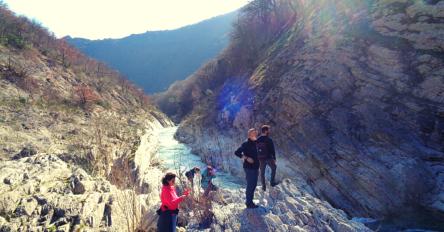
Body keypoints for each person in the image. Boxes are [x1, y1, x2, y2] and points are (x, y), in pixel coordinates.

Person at [235, 128, 260, 209]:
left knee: (254, 185)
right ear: (249, 135)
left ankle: (250, 201)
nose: (255, 135)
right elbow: (237, 152)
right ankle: (248, 203)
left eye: (255, 133)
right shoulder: (246, 144)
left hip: (256, 167)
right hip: (249, 168)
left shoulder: (257, 143)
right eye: (253, 133)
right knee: (250, 185)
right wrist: (246, 158)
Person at [256, 125, 278, 191]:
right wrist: (274, 158)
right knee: (274, 168)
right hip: (268, 158)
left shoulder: (258, 139)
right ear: (265, 131)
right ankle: (272, 182)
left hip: (260, 159)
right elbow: (272, 149)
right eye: (268, 130)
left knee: (262, 173)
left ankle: (263, 187)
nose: (269, 131)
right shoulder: (269, 139)